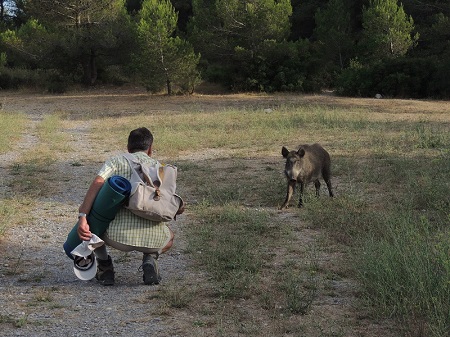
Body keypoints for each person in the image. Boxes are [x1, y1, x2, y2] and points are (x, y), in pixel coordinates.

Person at [76, 127, 184, 286]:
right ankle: (150, 259)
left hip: (115, 237)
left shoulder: (116, 161)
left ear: (128, 148)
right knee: (170, 237)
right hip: (154, 241)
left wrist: (82, 216)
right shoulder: (161, 169)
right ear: (150, 149)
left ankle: (105, 267)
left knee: (93, 218)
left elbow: (97, 183)